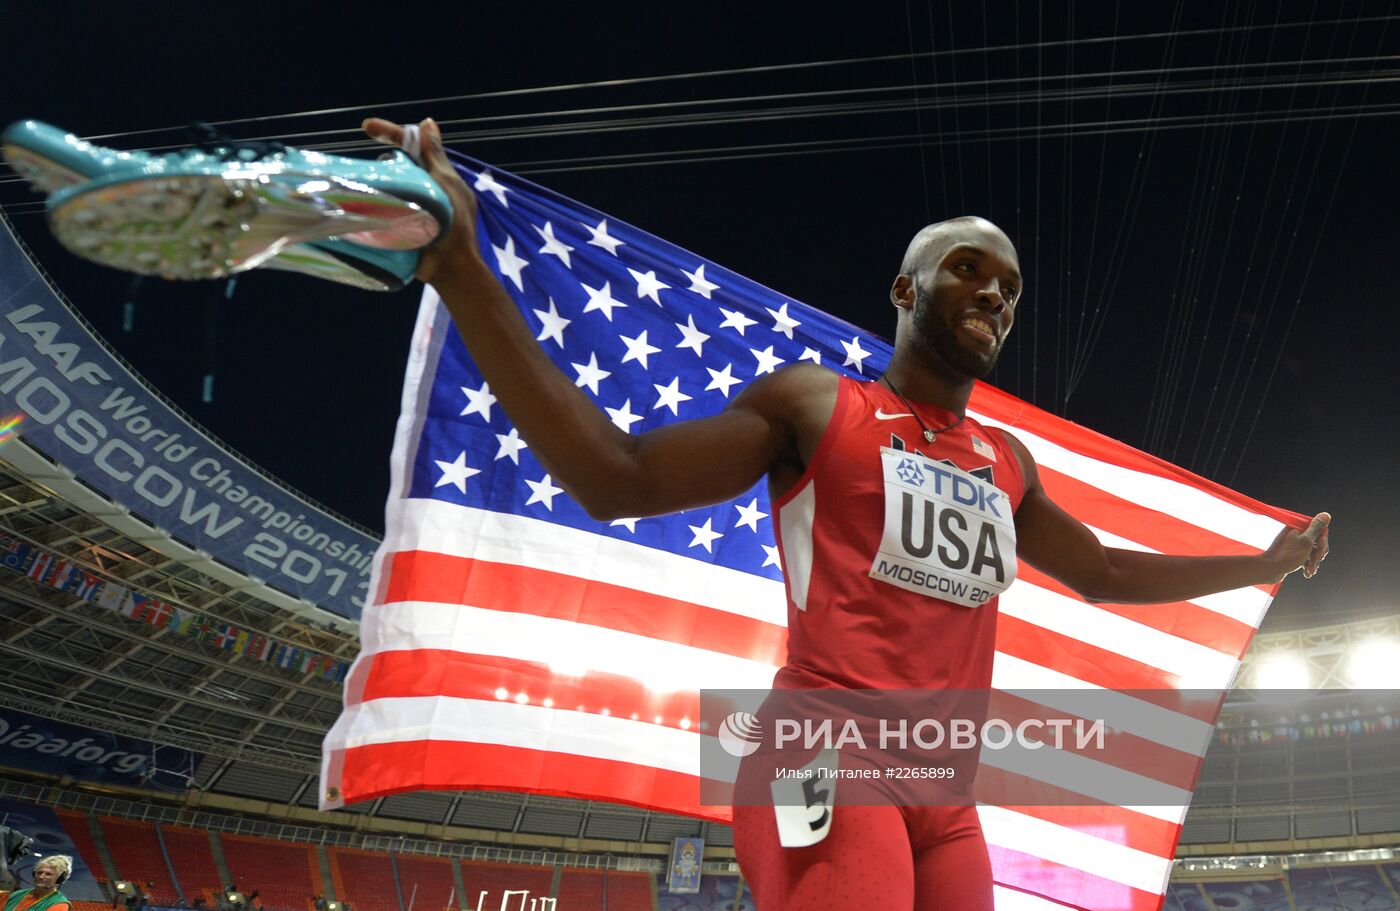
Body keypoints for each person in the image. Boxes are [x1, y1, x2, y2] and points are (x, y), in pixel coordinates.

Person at [361, 117, 1331, 910]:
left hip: (946, 794)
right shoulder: (816, 405)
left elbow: (1106, 573)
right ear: (905, 289)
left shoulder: (1004, 460)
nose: (994, 290)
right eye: (966, 268)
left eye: (1008, 287)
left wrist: (1262, 564)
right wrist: (462, 269)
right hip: (817, 747)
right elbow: (616, 476)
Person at [3, 856, 73, 911]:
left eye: (48, 874)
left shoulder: (59, 904)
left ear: (60, 878)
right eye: (39, 872)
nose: (41, 876)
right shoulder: (16, 895)